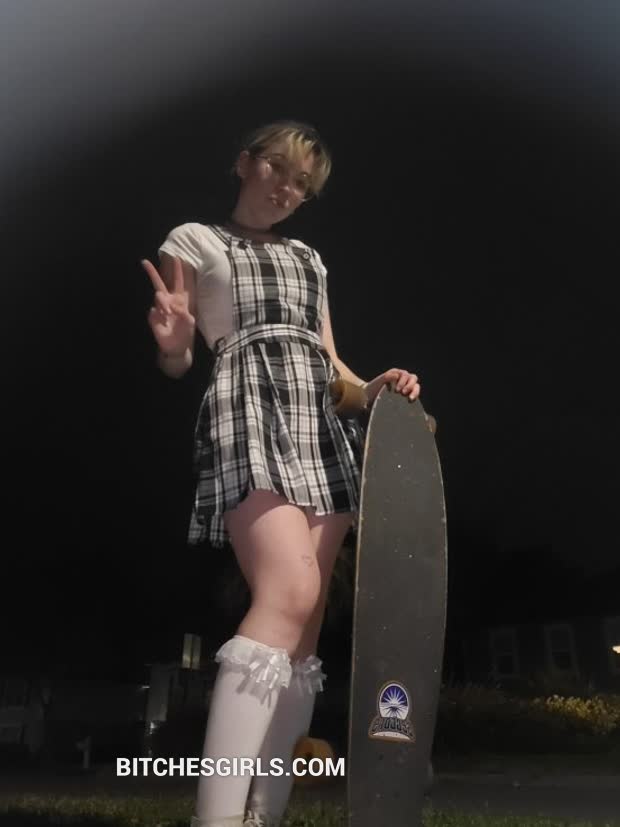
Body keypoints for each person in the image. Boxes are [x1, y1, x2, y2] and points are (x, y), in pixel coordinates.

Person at [141, 121, 421, 827]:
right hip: (249, 404)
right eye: (277, 169)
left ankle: (263, 816)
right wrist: (174, 346)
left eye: (302, 185)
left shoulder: (308, 258)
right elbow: (179, 354)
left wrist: (377, 388)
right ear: (246, 162)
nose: (286, 189)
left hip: (318, 424)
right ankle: (216, 819)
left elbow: (332, 366)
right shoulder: (194, 240)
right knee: (287, 591)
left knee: (304, 630)